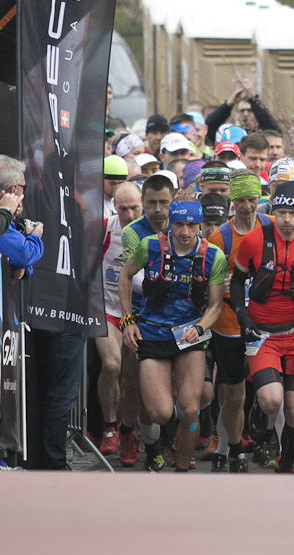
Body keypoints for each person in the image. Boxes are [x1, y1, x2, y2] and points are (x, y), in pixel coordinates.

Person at [228, 182, 294, 473]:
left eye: (293, 214)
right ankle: (262, 428)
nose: (287, 220)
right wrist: (242, 317)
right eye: (281, 213)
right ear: (273, 210)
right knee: (272, 400)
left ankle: (286, 467)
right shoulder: (253, 240)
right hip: (262, 334)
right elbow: (236, 282)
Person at [120, 201, 227, 473]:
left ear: (199, 225)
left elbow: (215, 306)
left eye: (191, 225)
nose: (185, 232)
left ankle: (181, 472)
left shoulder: (213, 255)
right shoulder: (150, 246)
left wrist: (200, 328)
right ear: (171, 223)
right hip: (152, 332)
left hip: (189, 335)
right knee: (160, 412)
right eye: (179, 224)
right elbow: (125, 275)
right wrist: (127, 320)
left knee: (190, 408)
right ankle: (156, 446)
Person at [206, 170, 268, 471]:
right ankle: (232, 449)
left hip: (265, 323)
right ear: (232, 200)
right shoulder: (221, 237)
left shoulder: (271, 227)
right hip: (229, 325)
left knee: (272, 390)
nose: (246, 206)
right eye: (241, 200)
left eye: (252, 199)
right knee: (234, 394)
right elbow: (210, 285)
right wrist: (227, 284)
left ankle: (271, 447)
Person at [96, 181, 141, 459]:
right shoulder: (103, 229)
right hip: (107, 309)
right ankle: (109, 426)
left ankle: (127, 431)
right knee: (112, 365)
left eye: (134, 207)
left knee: (131, 376)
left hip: (139, 313)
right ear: (114, 207)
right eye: (123, 209)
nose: (129, 215)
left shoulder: (153, 232)